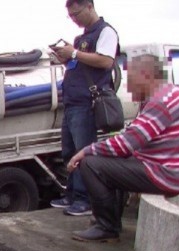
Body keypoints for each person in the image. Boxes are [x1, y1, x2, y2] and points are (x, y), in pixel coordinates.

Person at [67, 54, 179, 242]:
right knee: (112, 161)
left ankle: (106, 227)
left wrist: (84, 151)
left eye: (132, 79)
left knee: (90, 164)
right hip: (173, 171)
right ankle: (107, 221)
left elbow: (127, 144)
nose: (129, 86)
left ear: (147, 76)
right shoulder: (174, 95)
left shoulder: (161, 101)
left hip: (165, 174)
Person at [49, 0, 119, 216]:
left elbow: (106, 62)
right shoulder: (81, 38)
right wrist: (65, 58)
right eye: (70, 16)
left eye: (76, 13)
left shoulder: (106, 32)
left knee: (83, 153)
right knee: (69, 151)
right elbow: (79, 65)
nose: (74, 19)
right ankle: (71, 195)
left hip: (87, 102)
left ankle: (84, 199)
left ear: (89, 6)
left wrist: (75, 54)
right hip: (72, 101)